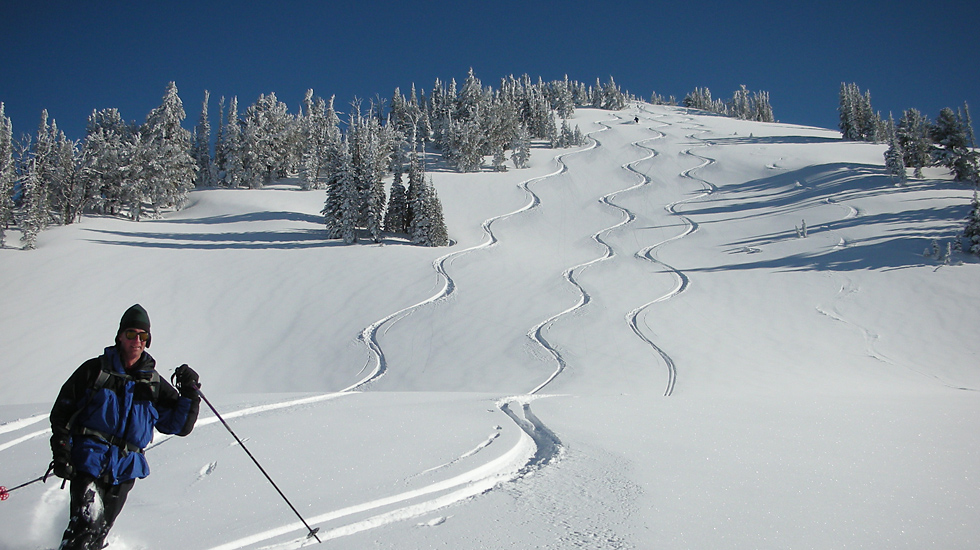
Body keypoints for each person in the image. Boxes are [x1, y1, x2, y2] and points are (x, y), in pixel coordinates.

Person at [49, 304, 201, 549]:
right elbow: (62, 413)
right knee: (86, 529)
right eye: (131, 334)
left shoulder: (152, 383)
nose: (137, 340)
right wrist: (62, 452)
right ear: (120, 336)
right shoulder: (95, 371)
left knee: (97, 536)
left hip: (125, 469)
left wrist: (190, 392)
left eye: (143, 336)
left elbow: (179, 425)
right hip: (88, 460)